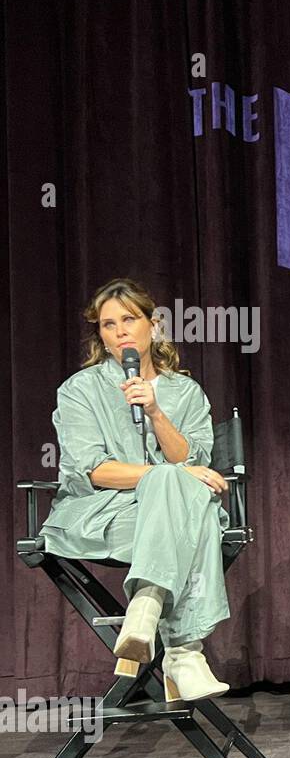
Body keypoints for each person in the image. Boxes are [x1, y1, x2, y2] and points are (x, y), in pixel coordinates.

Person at [41, 278, 232, 701]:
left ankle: (145, 610)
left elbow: (191, 458)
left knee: (181, 492)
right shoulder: (80, 390)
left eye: (130, 319)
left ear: (154, 324)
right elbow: (94, 470)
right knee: (181, 495)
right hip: (104, 515)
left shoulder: (185, 391)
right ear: (102, 336)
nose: (120, 331)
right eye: (109, 325)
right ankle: (183, 654)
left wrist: (155, 411)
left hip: (165, 521)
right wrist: (171, 476)